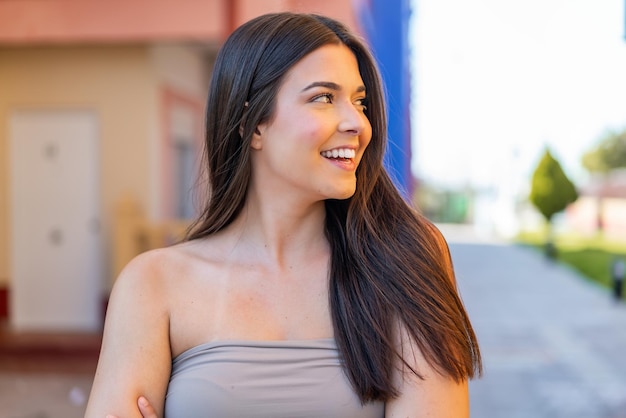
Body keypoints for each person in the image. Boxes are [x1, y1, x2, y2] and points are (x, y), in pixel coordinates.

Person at [85, 12, 482, 418]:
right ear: (252, 124)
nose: (357, 123)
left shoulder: (405, 261)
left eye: (359, 102)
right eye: (323, 98)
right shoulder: (152, 284)